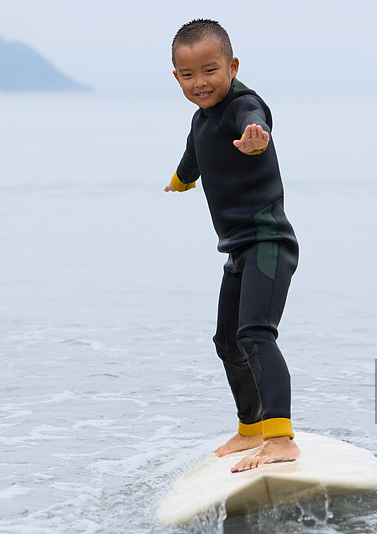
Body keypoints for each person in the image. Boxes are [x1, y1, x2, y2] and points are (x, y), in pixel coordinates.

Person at [164, 19, 300, 473]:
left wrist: (257, 137)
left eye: (210, 70)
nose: (200, 82)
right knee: (227, 341)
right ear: (176, 76)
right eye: (188, 74)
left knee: (256, 334)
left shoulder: (244, 105)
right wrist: (181, 180)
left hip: (267, 241)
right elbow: (195, 154)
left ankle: (281, 439)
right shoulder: (201, 119)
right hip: (238, 250)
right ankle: (252, 428)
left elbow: (254, 120)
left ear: (232, 65)